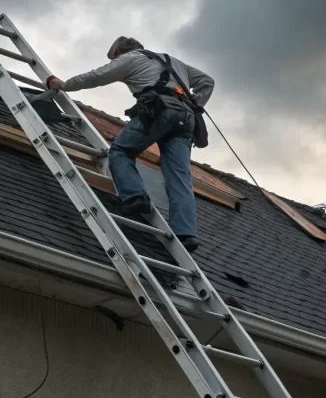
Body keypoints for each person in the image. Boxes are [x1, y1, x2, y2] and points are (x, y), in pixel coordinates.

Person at [46, 36, 214, 252]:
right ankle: (185, 233)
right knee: (179, 177)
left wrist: (64, 85)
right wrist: (194, 104)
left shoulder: (130, 58)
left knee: (121, 151)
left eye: (114, 58)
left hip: (159, 110)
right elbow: (207, 82)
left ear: (120, 53)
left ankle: (135, 197)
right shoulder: (172, 61)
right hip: (186, 120)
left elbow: (97, 76)